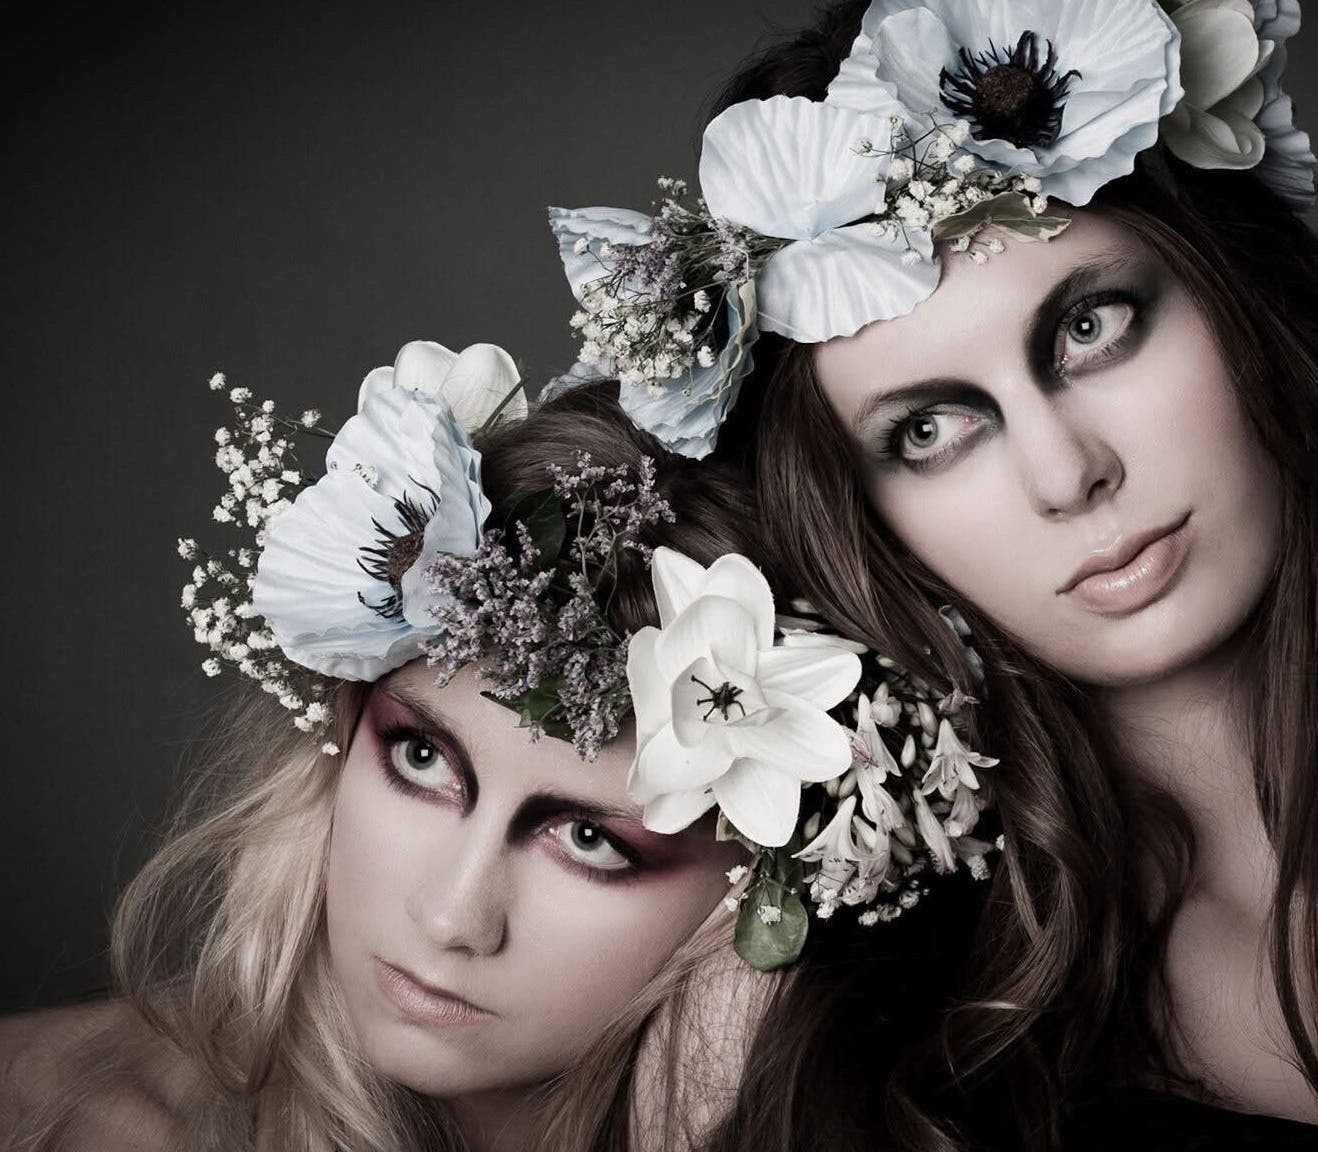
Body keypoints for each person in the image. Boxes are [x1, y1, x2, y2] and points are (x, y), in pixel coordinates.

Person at [545, 0, 1318, 1146]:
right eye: (930, 433)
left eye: (1091, 329)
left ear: (1243, 307)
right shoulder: (884, 1049)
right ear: (869, 529)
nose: (1067, 474)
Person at [1, 344, 1004, 1151]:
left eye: (590, 840)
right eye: (423, 762)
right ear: (344, 736)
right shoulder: (52, 1119)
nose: (449, 916)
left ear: (756, 897)